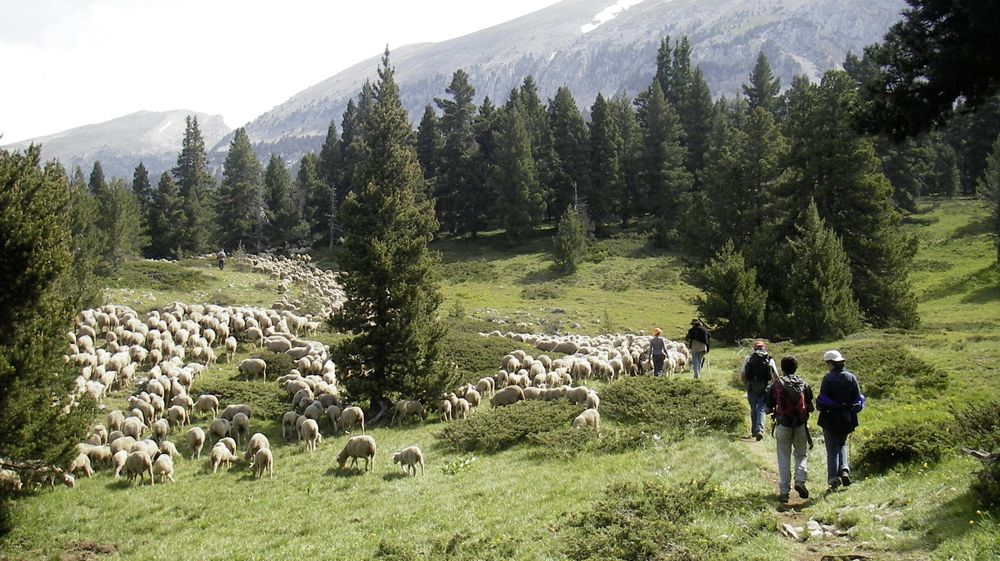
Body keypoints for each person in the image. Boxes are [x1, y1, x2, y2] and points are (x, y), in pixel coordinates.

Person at [764, 355, 814, 503]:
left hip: (783, 425)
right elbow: (811, 407)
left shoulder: (776, 385)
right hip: (801, 425)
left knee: (783, 457)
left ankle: (784, 491)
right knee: (801, 455)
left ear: (782, 368)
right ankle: (800, 480)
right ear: (796, 368)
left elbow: (767, 409)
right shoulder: (803, 384)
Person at [817, 349, 864, 491]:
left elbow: (822, 399)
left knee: (831, 449)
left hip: (830, 418)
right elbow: (858, 398)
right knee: (842, 444)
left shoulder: (828, 378)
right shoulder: (851, 377)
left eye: (827, 363)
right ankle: (844, 469)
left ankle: (833, 479)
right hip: (847, 418)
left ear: (831, 363)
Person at [740, 340, 778, 441]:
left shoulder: (749, 358)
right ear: (764, 348)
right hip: (765, 386)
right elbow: (775, 375)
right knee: (761, 408)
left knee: (753, 408)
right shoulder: (769, 358)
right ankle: (760, 430)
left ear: (754, 348)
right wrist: (777, 385)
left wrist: (745, 383)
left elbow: (743, 373)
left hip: (752, 386)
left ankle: (754, 431)